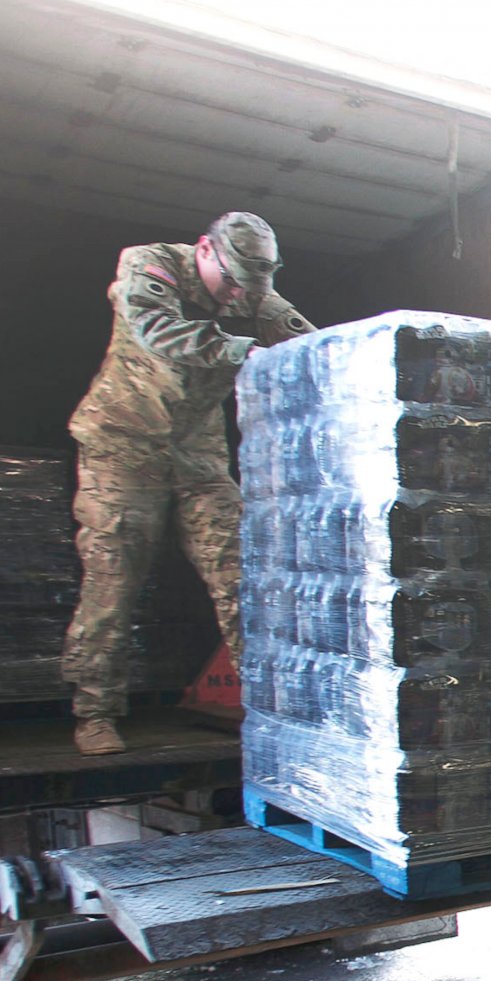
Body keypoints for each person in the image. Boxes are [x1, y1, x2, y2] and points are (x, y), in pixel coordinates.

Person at [61, 212, 312, 754]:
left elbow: (310, 342)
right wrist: (240, 349)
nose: (238, 298)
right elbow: (158, 332)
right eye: (233, 284)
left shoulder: (247, 290)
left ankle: (274, 708)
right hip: (123, 444)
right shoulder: (149, 264)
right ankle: (95, 712)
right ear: (205, 250)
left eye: (250, 288)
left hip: (196, 455)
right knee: (114, 576)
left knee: (241, 573)